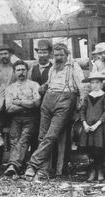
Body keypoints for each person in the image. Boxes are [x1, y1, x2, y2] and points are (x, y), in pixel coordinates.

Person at [24, 43, 83, 181]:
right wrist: (43, 87)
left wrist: (81, 104)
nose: (58, 57)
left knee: (51, 135)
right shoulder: (53, 68)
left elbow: (82, 87)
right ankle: (43, 171)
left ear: (67, 55)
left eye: (61, 55)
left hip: (65, 99)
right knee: (42, 136)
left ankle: (32, 164)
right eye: (56, 55)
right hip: (48, 99)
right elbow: (49, 83)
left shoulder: (74, 67)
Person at [4, 60, 41, 177]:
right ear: (14, 72)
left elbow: (37, 103)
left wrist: (18, 102)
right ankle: (20, 166)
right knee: (14, 141)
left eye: (23, 70)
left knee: (24, 139)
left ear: (27, 71)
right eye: (18, 70)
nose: (21, 72)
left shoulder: (34, 85)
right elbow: (9, 108)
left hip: (31, 118)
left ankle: (13, 165)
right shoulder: (10, 88)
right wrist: (27, 104)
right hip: (16, 119)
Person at [79, 72, 105, 181]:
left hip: (100, 127)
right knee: (90, 149)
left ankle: (100, 170)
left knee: (98, 149)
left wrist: (97, 124)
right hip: (88, 127)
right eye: (92, 83)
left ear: (101, 84)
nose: (95, 85)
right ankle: (92, 170)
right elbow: (82, 111)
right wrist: (85, 124)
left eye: (97, 82)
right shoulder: (87, 97)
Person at [0, 44, 16, 169]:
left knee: (13, 133)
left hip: (12, 105)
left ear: (10, 55)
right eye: (1, 54)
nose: (3, 56)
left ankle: (13, 162)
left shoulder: (15, 69)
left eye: (5, 53)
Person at [29, 39, 53, 153]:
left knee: (47, 132)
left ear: (49, 53)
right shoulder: (33, 68)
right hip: (35, 106)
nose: (42, 55)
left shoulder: (53, 68)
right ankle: (34, 157)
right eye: (40, 52)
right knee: (35, 131)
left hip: (49, 105)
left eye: (45, 52)